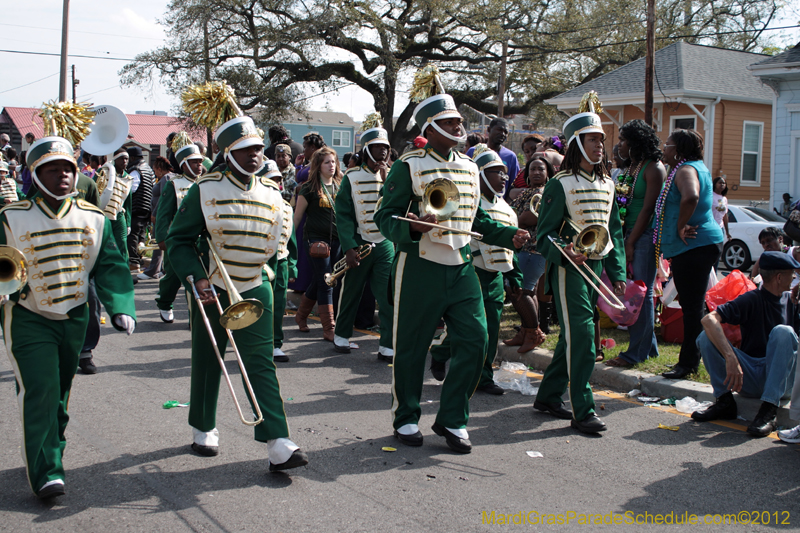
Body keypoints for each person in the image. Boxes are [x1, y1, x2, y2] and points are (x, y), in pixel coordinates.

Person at [374, 66, 528, 453]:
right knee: (411, 347)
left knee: (476, 343)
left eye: (459, 120)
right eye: (449, 121)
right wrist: (412, 228)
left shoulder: (471, 167)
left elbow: (478, 219)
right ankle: (406, 417)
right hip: (420, 265)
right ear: (432, 126)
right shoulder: (408, 165)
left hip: (461, 265)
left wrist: (510, 235)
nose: (459, 125)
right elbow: (384, 216)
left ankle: (452, 419)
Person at [167, 107, 308, 471]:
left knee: (260, 365)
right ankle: (203, 424)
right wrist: (196, 278)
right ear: (228, 153)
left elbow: (280, 247)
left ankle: (278, 441)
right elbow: (179, 241)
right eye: (246, 149)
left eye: (258, 147)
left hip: (255, 286)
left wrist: (275, 279)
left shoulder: (273, 193)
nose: (255, 154)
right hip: (212, 286)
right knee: (209, 359)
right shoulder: (205, 189)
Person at [3, 126, 135, 498]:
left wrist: (121, 305)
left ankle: (51, 445)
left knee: (60, 390)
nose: (62, 176)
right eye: (51, 169)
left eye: (67, 168)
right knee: (40, 390)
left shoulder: (94, 216)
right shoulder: (10, 217)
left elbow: (110, 265)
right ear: (34, 174)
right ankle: (46, 472)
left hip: (75, 314)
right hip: (27, 315)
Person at [532, 93, 626, 434]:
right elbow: (544, 236)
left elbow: (614, 230)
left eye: (601, 139)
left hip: (597, 267)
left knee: (573, 338)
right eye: (592, 139)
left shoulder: (608, 184)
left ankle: (547, 396)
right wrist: (564, 252)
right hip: (567, 270)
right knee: (584, 338)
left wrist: (617, 272)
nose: (600, 145)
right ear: (577, 143)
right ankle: (583, 410)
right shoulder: (560, 184)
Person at [429, 145, 524, 395]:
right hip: (472, 272)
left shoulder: (508, 209)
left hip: (496, 276)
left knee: (490, 329)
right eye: (496, 172)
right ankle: (441, 351)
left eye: (505, 173)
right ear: (479, 174)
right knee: (469, 328)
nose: (503, 178)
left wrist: (514, 273)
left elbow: (510, 250)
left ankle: (483, 376)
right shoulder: (469, 204)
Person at [693, 252, 799, 437]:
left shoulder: (792, 300)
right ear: (779, 277)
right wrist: (730, 357)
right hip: (748, 374)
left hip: (781, 379)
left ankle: (769, 410)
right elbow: (709, 320)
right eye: (792, 273)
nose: (794, 277)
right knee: (704, 337)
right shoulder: (752, 298)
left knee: (783, 331)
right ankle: (725, 402)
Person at [654, 129, 724, 380]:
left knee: (692, 307)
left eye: (668, 144)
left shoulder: (685, 170)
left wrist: (680, 225)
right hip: (697, 246)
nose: (664, 149)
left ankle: (688, 364)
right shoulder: (696, 166)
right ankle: (696, 356)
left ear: (679, 150)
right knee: (692, 304)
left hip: (695, 246)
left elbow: (691, 196)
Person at [332, 117, 395, 361]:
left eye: (386, 147)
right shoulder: (351, 176)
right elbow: (344, 215)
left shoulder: (392, 175)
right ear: (366, 148)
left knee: (387, 296)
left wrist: (388, 179)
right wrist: (348, 246)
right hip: (359, 240)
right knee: (352, 292)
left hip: (385, 243)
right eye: (378, 146)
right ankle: (342, 334)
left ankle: (387, 344)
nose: (383, 151)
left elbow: (397, 206)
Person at [605, 120, 666, 368]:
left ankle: (635, 354)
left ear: (636, 142)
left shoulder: (654, 169)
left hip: (643, 236)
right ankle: (649, 350)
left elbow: (648, 210)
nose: (619, 144)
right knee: (637, 292)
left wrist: (630, 242)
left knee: (643, 293)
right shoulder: (631, 168)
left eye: (623, 140)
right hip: (627, 233)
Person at [79, 148, 134, 375]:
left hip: (83, 255)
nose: (62, 174)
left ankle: (86, 351)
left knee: (92, 302)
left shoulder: (86, 182)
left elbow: (95, 212)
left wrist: (121, 306)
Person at [292, 146, 342, 342]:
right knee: (326, 281)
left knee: (320, 280)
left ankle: (301, 315)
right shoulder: (308, 188)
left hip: (337, 240)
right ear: (318, 165)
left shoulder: (341, 185)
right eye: (327, 162)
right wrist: (288, 242)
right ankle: (329, 328)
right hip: (315, 240)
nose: (331, 165)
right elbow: (297, 218)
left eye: (333, 161)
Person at [505, 156, 555, 353]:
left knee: (519, 291)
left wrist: (509, 221)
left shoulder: (544, 193)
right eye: (532, 169)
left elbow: (527, 218)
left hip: (534, 249)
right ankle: (526, 331)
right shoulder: (528, 192)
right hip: (523, 249)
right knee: (527, 291)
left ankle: (534, 333)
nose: (536, 172)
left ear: (548, 173)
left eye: (540, 169)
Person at [155, 136, 204, 323]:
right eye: (194, 162)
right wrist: (162, 238)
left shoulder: (206, 183)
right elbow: (164, 214)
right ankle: (165, 303)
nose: (199, 166)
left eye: (200, 162)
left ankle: (195, 319)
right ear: (184, 165)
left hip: (200, 240)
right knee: (173, 277)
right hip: (177, 239)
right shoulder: (173, 184)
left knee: (196, 278)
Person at [258, 159, 296, 363]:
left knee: (278, 305)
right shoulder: (253, 205)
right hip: (258, 262)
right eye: (270, 180)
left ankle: (275, 344)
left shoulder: (287, 207)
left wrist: (292, 265)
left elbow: (292, 239)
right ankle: (254, 341)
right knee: (260, 303)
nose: (276, 185)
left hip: (280, 260)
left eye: (278, 180)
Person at [288, 133, 326, 293]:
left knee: (307, 246)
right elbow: (299, 181)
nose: (303, 150)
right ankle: (299, 282)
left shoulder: (318, 164)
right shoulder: (308, 163)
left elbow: (311, 184)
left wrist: (300, 186)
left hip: (310, 210)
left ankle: (305, 283)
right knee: (300, 244)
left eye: (305, 147)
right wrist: (298, 166)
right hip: (301, 207)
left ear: (313, 147)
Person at [138, 156, 174, 281]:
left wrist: (154, 213)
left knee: (158, 243)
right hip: (162, 215)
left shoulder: (166, 178)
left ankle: (153, 270)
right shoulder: (168, 177)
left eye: (154, 170)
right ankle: (160, 269)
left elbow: (163, 197)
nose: (154, 173)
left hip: (160, 216)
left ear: (159, 169)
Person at [466, 118, 519, 198]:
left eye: (506, 132)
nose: (502, 134)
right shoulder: (474, 151)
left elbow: (512, 185)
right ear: (489, 129)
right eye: (499, 130)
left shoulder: (511, 156)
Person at [126, 147, 154, 273]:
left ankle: (134, 261)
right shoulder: (148, 168)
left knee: (132, 235)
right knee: (141, 235)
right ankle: (139, 258)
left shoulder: (135, 170)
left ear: (132, 158)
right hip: (147, 207)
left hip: (137, 207)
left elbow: (132, 189)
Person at [712, 177, 731, 241]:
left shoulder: (724, 199)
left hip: (720, 228)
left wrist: (727, 232)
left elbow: (725, 216)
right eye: (720, 183)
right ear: (715, 184)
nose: (722, 184)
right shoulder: (711, 196)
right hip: (711, 227)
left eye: (724, 183)